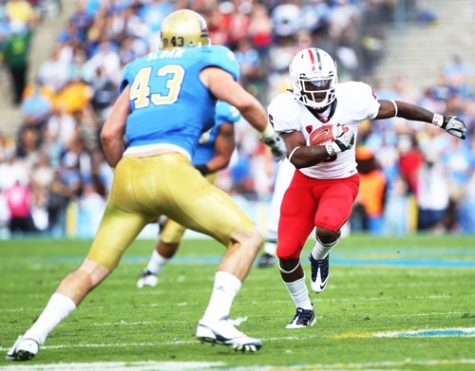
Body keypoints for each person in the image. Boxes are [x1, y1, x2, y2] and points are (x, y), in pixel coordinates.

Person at [6, 9, 287, 361]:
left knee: (90, 269)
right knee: (247, 238)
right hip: (172, 168)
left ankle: (31, 336)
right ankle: (215, 318)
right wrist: (272, 138)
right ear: (198, 39)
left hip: (128, 173)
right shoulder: (207, 61)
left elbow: (110, 133)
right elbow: (244, 101)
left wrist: (124, 174)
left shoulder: (140, 68)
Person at [269, 47, 466, 329]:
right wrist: (331, 146)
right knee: (286, 253)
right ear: (297, 84)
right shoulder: (285, 106)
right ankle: (304, 310)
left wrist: (440, 120)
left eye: (324, 82)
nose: (319, 89)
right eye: (312, 84)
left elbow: (396, 108)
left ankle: (319, 255)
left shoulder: (352, 97)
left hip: (341, 179)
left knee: (326, 227)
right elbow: (297, 156)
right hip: (305, 181)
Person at [137, 100, 240, 288]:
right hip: (170, 169)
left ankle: (151, 270)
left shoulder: (223, 113)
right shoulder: (175, 106)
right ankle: (162, 217)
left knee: (174, 230)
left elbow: (223, 158)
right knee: (143, 207)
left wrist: (198, 169)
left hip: (201, 174)